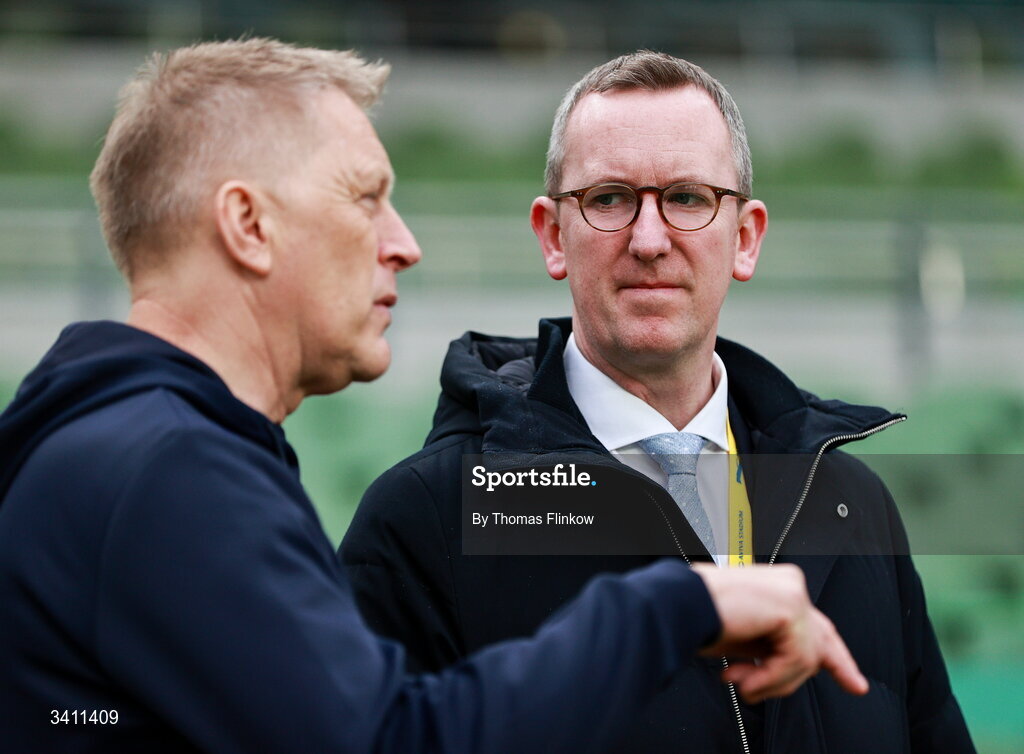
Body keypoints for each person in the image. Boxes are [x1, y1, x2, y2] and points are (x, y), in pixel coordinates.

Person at [0, 38, 868, 754]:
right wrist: (679, 605)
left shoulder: (133, 453)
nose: (404, 243)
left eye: (687, 199)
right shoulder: (166, 469)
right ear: (248, 225)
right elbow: (386, 743)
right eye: (366, 198)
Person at [340, 51, 975, 753]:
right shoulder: (428, 517)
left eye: (687, 198)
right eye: (609, 199)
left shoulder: (853, 506)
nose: (649, 240)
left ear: (746, 237)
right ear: (553, 236)